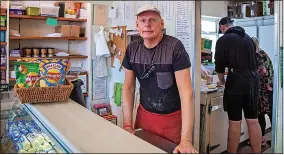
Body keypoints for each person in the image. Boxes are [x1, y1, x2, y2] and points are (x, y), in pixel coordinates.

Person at [121, 4, 197, 154]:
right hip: (144, 117)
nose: (147, 24)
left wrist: (186, 140)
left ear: (161, 23)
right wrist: (127, 124)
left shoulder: (175, 48)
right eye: (143, 20)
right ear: (137, 25)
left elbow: (186, 94)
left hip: (171, 121)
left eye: (152, 20)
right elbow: (128, 88)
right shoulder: (132, 49)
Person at [214, 17, 262, 153]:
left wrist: (222, 82)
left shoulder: (223, 40)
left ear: (222, 27)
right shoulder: (247, 38)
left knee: (235, 123)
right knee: (253, 121)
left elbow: (219, 66)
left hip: (236, 82)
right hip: (253, 81)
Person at [251, 37, 274, 147]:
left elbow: (261, 73)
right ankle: (274, 139)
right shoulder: (262, 52)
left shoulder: (256, 55)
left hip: (263, 90)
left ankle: (261, 140)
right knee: (271, 115)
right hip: (270, 89)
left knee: (260, 115)